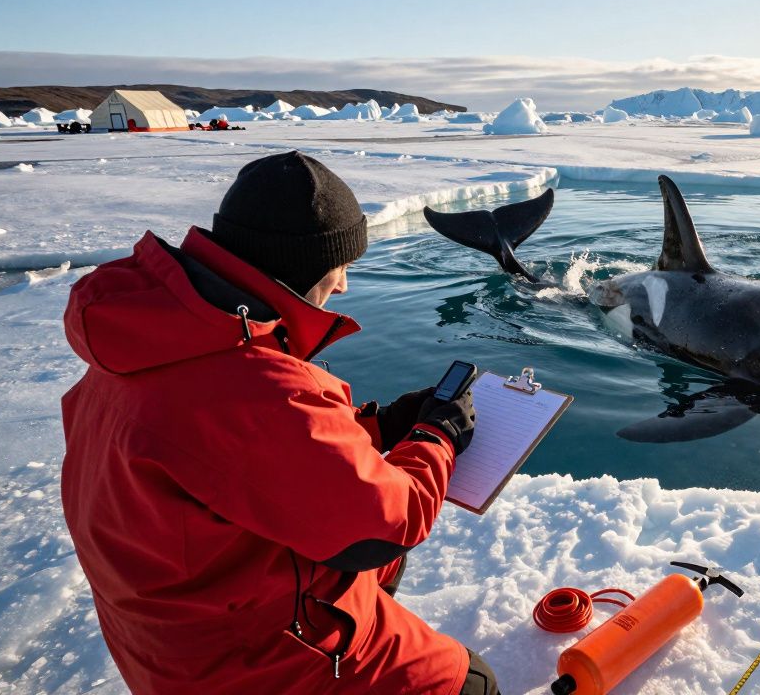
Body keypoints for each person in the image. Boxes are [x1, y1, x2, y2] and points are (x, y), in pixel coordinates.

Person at [61, 151, 499, 694]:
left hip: (171, 639)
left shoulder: (141, 347)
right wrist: (439, 436)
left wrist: (381, 428)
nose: (342, 287)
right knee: (471, 681)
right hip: (251, 661)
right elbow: (382, 529)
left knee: (376, 574)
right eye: (340, 266)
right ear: (300, 267)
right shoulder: (254, 384)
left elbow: (230, 457)